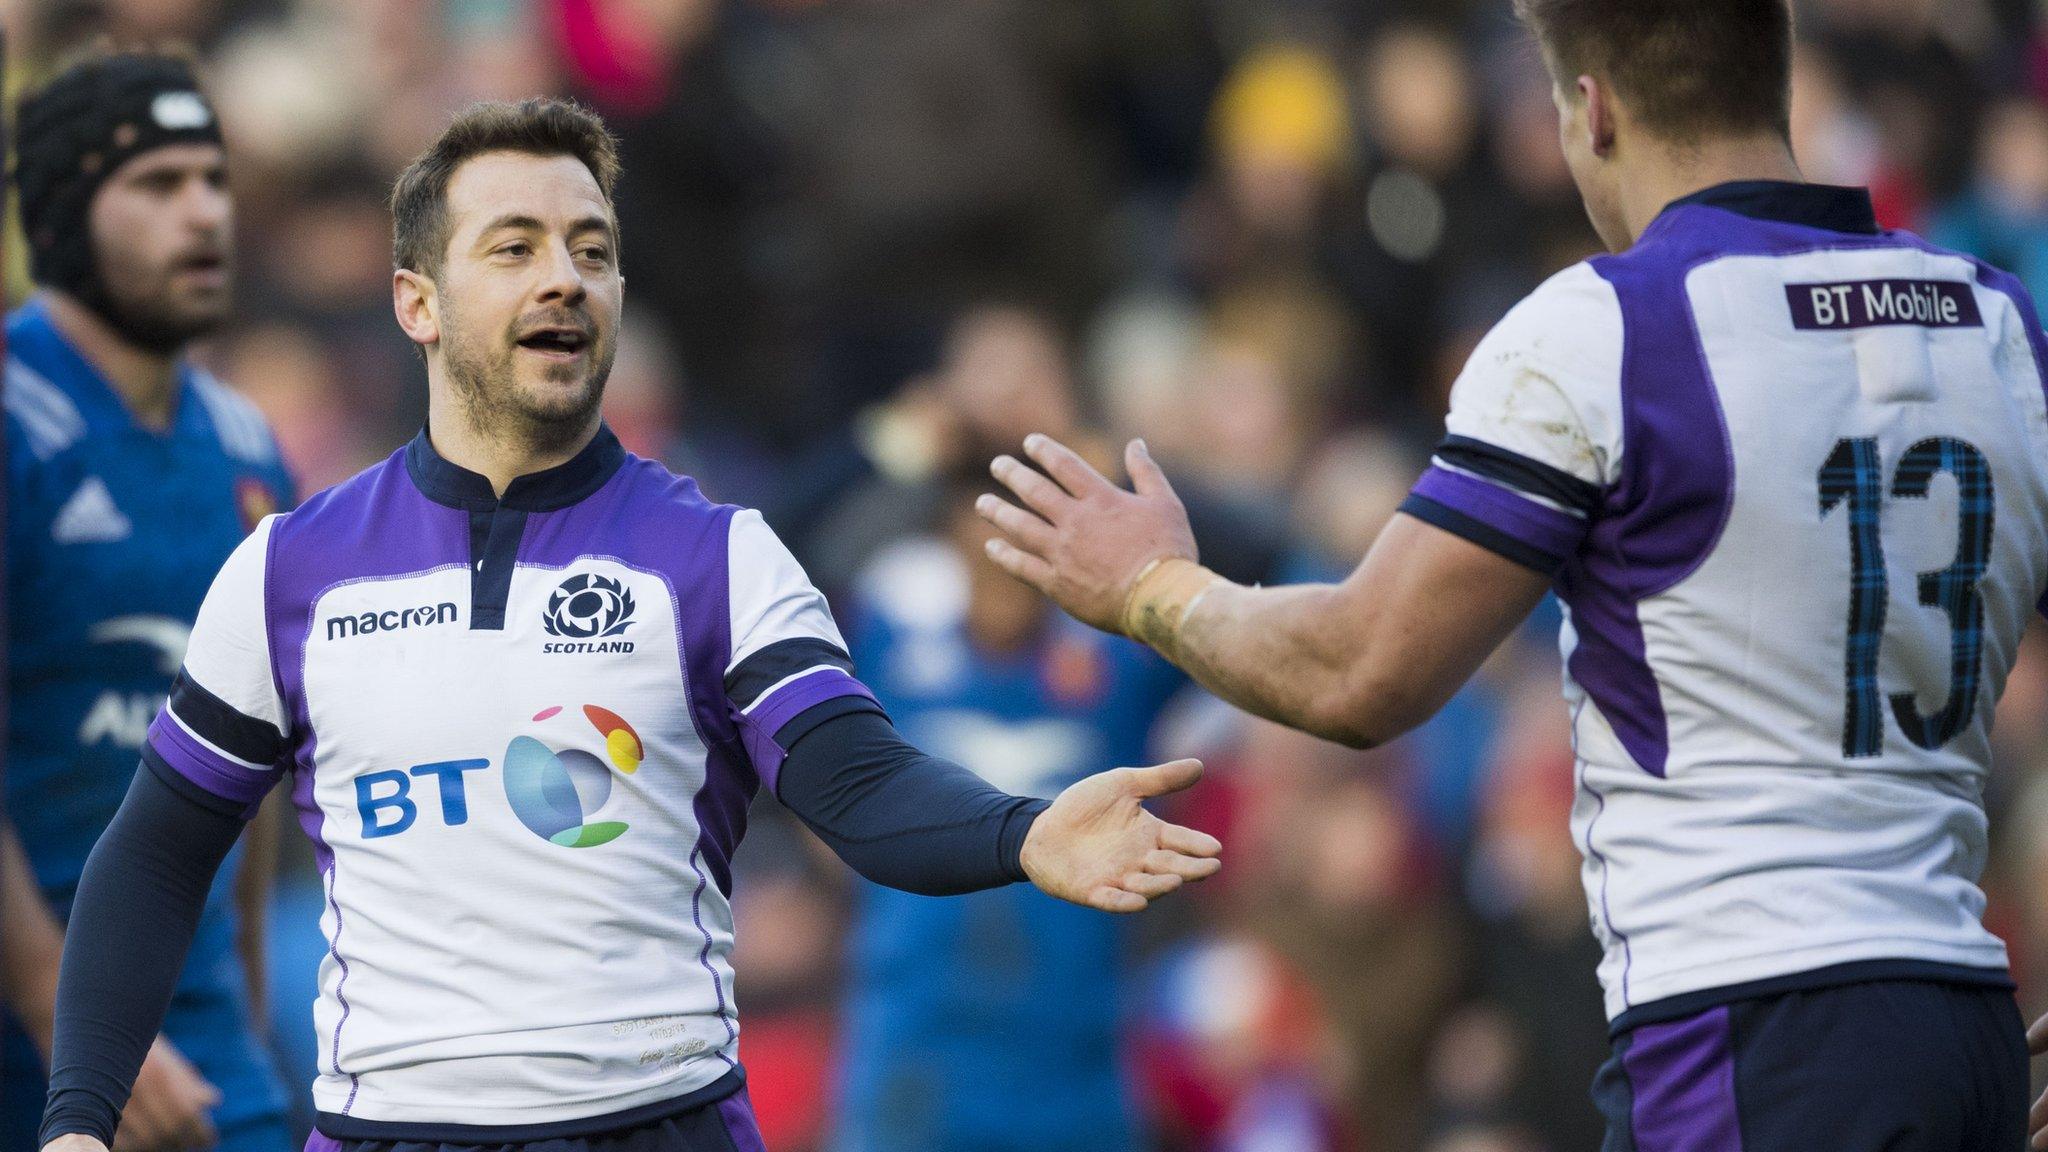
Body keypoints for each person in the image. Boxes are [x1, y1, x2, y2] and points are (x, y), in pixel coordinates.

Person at [35, 96, 1221, 1152]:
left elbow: (855, 784)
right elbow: (153, 855)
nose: (564, 277)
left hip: (654, 1125)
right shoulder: (289, 572)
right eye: (515, 248)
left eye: (591, 251)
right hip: (389, 1130)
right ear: (417, 302)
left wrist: (1020, 832)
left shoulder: (715, 556)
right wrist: (79, 1120)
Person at [979, 1, 2046, 1147]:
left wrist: (1150, 588)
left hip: (1750, 1026)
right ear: (1771, 80)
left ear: (1590, 109)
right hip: (1963, 1016)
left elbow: (1357, 672)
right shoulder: (1994, 323)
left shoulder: (1609, 328)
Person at [1, 52, 295, 1152]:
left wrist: (254, 1017)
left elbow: (254, 773)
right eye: (160, 185)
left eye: (213, 180)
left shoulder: (249, 450)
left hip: (205, 1037)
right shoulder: (14, 420)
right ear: (69, 211)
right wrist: (57, 1018)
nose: (205, 213)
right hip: (28, 1029)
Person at [832, 461, 1187, 1152]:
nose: (1003, 557)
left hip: (1072, 1052)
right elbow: (788, 557)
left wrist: (1111, 461)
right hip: (915, 1052)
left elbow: (1241, 579)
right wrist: (903, 448)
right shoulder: (888, 656)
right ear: (948, 542)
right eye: (981, 528)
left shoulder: (1114, 678)